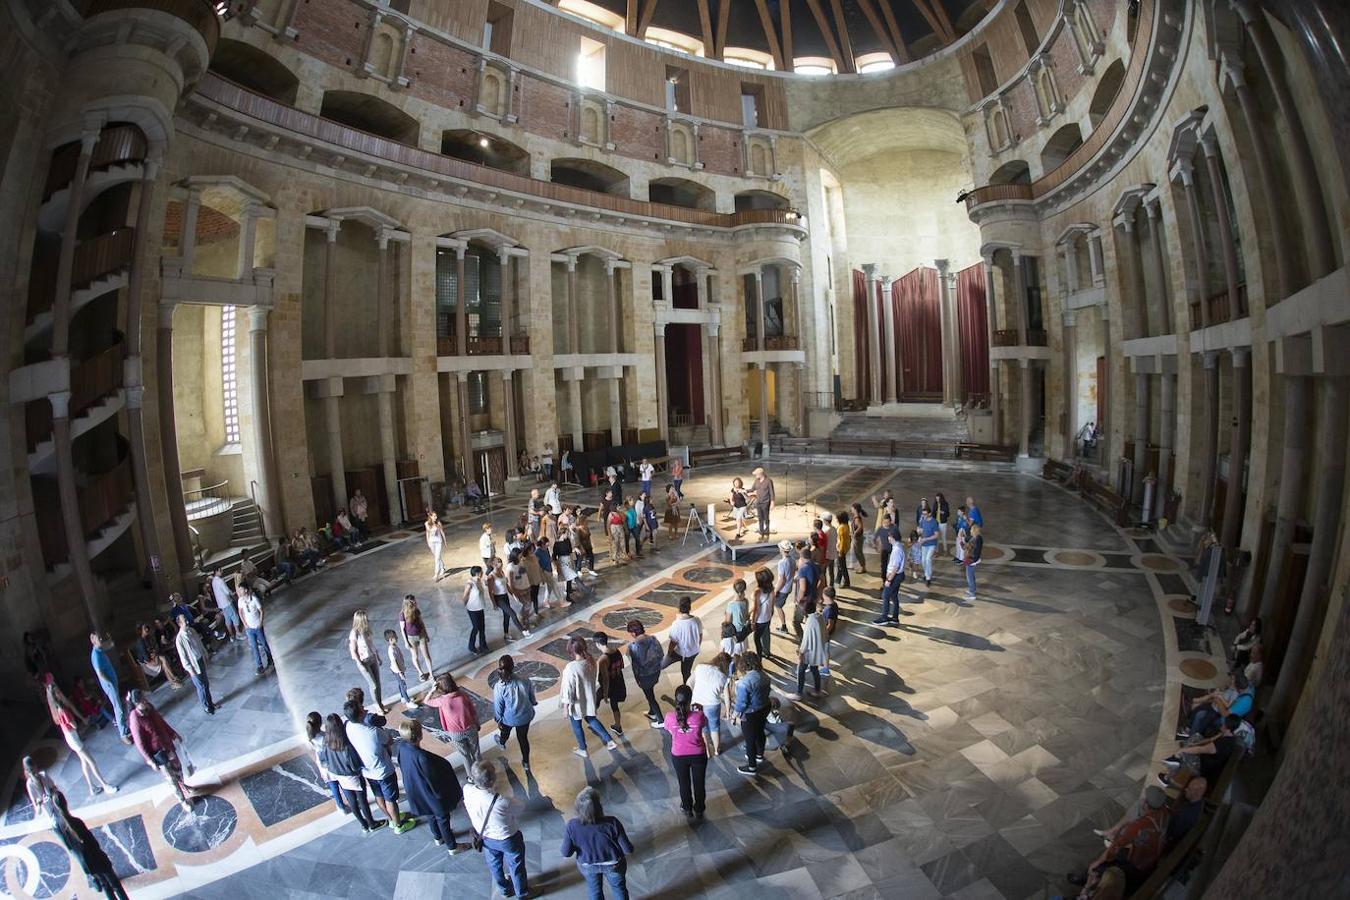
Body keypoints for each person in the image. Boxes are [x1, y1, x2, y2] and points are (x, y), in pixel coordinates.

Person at [1070, 785, 1169, 894]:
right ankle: (1112, 832)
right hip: (1151, 859)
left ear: (1146, 805)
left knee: (1103, 865)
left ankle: (1087, 879)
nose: (1142, 799)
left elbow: (1115, 848)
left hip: (1136, 865)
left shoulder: (1139, 826)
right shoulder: (1165, 813)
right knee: (1136, 807)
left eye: (1144, 799)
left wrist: (1098, 862)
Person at [396, 719, 468, 855]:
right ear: (419, 735)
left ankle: (438, 837)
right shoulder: (422, 757)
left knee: (429, 814)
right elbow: (434, 780)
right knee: (442, 818)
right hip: (430, 793)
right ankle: (452, 846)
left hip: (416, 790)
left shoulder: (401, 746)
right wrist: (443, 796)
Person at [344, 699, 416, 834]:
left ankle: (391, 819)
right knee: (391, 799)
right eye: (362, 708)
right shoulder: (373, 731)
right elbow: (388, 740)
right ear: (360, 715)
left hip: (367, 771)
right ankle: (398, 825)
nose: (365, 709)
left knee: (378, 795)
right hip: (383, 771)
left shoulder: (348, 726)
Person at [465, 760, 532, 898]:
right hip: (508, 839)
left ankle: (504, 889)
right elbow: (521, 807)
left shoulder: (467, 790)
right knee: (516, 865)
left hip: (485, 838)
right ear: (493, 779)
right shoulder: (501, 801)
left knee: (494, 865)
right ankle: (522, 893)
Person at [50, 792, 130, 900]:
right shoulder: (76, 822)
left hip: (86, 863)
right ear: (65, 803)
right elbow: (93, 842)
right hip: (97, 857)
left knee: (106, 886)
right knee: (116, 886)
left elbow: (69, 847)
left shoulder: (58, 827)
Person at [44, 679, 117, 796]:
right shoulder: (62, 710)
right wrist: (80, 721)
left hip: (70, 738)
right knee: (91, 762)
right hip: (74, 738)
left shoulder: (57, 710)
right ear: (56, 695)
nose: (61, 693)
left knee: (84, 762)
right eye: (58, 692)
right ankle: (105, 785)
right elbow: (73, 724)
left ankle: (92, 788)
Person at [562, 786, 635, 899]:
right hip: (613, 865)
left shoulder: (572, 825)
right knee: (618, 888)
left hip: (588, 865)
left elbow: (566, 853)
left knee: (594, 890)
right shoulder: (612, 823)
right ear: (598, 807)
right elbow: (628, 849)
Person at [128, 690, 193, 811]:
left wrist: (173, 733)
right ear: (136, 703)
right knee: (171, 778)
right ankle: (183, 801)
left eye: (145, 699)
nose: (145, 701)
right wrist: (150, 761)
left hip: (167, 745)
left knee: (178, 769)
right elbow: (140, 743)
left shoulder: (149, 707)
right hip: (158, 753)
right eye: (142, 700)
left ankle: (183, 785)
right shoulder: (135, 718)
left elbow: (161, 722)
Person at [319, 712, 384, 833]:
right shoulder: (345, 745)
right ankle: (372, 823)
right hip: (352, 776)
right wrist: (358, 769)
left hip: (339, 776)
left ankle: (364, 825)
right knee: (362, 800)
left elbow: (324, 760)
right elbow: (354, 763)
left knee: (352, 802)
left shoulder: (325, 743)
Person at [560, 636, 619, 758]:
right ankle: (610, 741)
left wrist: (565, 708)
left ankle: (583, 749)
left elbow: (567, 690)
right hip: (588, 697)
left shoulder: (571, 668)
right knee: (591, 719)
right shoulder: (590, 660)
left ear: (571, 650)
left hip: (576, 702)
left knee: (576, 725)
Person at [664, 684, 709, 823]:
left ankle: (687, 808)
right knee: (699, 783)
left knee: (683, 783)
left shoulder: (670, 717)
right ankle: (700, 809)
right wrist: (699, 711)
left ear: (675, 700)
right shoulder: (698, 716)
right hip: (698, 755)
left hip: (678, 756)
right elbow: (704, 725)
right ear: (690, 700)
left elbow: (671, 731)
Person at [424, 673, 480, 775]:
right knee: (476, 752)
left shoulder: (442, 700)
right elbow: (472, 711)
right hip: (470, 727)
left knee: (465, 755)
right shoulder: (463, 694)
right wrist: (477, 723)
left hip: (455, 732)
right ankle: (481, 771)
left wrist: (431, 690)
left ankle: (471, 776)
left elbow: (426, 701)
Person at [492, 654, 538, 771]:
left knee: (505, 732)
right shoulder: (525, 680)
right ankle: (526, 763)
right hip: (525, 716)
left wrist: (498, 719)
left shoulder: (499, 686)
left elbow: (499, 706)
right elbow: (531, 697)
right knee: (523, 739)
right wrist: (533, 703)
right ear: (513, 666)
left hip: (509, 718)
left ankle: (502, 743)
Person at [733, 652, 770, 776]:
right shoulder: (765, 676)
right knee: (760, 732)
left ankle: (752, 766)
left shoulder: (745, 682)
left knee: (749, 740)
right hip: (764, 708)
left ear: (743, 664)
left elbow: (742, 703)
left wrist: (735, 714)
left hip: (751, 713)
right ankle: (760, 755)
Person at [305, 711, 349, 817]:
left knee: (333, 787)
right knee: (343, 784)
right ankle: (351, 800)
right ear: (320, 723)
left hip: (323, 766)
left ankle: (341, 806)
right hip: (332, 763)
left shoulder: (309, 738)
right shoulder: (325, 737)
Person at [89, 632, 130, 743]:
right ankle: (123, 734)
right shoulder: (96, 655)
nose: (101, 640)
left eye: (101, 638)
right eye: (99, 639)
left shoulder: (100, 649)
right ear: (93, 641)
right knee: (118, 708)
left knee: (120, 706)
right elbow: (100, 674)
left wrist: (109, 638)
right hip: (109, 684)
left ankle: (125, 728)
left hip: (112, 682)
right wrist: (110, 683)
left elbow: (111, 644)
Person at [690, 652, 732, 756]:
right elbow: (727, 697)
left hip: (697, 702)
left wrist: (693, 696)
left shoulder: (700, 667)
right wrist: (727, 711)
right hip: (712, 704)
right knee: (714, 727)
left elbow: (689, 682)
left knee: (701, 726)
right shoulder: (724, 677)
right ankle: (717, 750)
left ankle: (707, 751)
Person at [174, 614, 217, 715]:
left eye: (186, 619)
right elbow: (183, 657)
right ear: (180, 623)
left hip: (200, 659)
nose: (187, 621)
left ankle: (211, 703)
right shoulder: (179, 639)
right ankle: (206, 706)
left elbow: (199, 643)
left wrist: (204, 653)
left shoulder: (192, 631)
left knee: (206, 683)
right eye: (184, 620)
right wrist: (190, 670)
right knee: (200, 686)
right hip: (193, 665)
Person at [626, 620, 665, 726]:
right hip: (656, 671)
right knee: (650, 691)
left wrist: (637, 679)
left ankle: (661, 720)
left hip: (644, 676)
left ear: (633, 633)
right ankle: (652, 712)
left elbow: (634, 665)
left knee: (650, 697)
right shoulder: (653, 639)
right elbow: (661, 655)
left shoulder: (633, 646)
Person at [349, 609, 387, 715]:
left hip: (372, 657)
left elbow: (371, 645)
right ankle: (377, 705)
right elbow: (353, 649)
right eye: (365, 619)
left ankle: (380, 703)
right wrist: (359, 663)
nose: (367, 621)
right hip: (363, 661)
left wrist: (377, 657)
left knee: (378, 683)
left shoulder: (366, 630)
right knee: (373, 685)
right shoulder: (354, 633)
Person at [789, 598, 827, 700]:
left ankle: (798, 693)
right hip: (817, 649)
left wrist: (801, 652)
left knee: (801, 670)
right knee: (815, 669)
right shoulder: (819, 616)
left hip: (809, 652)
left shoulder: (810, 621)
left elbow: (806, 640)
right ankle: (817, 691)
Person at [594, 633, 628, 736]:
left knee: (597, 698)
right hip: (619, 681)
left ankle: (592, 719)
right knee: (614, 705)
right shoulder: (617, 651)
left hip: (610, 685)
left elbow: (605, 680)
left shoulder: (603, 660)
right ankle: (618, 726)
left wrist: (605, 694)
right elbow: (621, 666)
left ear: (597, 644)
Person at [236, 584, 273, 675]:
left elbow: (261, 611)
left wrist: (260, 622)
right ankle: (259, 666)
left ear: (246, 590)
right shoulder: (240, 600)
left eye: (241, 590)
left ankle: (270, 659)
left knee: (264, 643)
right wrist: (244, 623)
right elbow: (240, 612)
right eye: (239, 590)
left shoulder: (254, 599)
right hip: (249, 628)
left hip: (257, 626)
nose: (239, 592)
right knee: (254, 647)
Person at [668, 595, 703, 684]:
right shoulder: (697, 620)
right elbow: (700, 637)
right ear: (689, 607)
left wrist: (668, 654)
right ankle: (687, 688)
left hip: (681, 653)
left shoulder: (676, 624)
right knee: (686, 672)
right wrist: (696, 647)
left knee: (663, 663)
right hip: (693, 652)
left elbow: (673, 643)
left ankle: (687, 689)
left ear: (679, 608)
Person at [399, 595, 434, 681]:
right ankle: (420, 673)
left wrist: (426, 634)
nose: (416, 602)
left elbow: (422, 623)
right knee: (415, 656)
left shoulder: (416, 611)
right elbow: (402, 629)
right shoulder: (402, 614)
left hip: (421, 635)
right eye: (414, 601)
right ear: (409, 603)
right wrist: (406, 642)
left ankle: (431, 674)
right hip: (411, 638)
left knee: (426, 655)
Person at [874, 530, 905, 625]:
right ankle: (895, 618)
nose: (888, 538)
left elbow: (895, 567)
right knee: (894, 596)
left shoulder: (896, 550)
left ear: (893, 538)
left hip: (895, 576)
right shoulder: (899, 546)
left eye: (889, 536)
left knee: (885, 595)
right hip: (898, 575)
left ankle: (884, 618)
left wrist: (889, 580)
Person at [500, 554, 533, 639]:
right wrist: (514, 593)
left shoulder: (521, 563)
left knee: (528, 605)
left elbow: (525, 575)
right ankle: (522, 619)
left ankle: (525, 620)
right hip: (519, 590)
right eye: (520, 556)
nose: (521, 557)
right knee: (526, 605)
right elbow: (510, 583)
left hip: (526, 587)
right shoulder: (510, 568)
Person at [384, 629, 418, 707]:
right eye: (395, 637)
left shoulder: (394, 646)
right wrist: (400, 672)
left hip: (399, 669)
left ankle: (403, 697)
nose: (397, 637)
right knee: (403, 685)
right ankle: (408, 701)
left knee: (400, 684)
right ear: (391, 639)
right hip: (397, 670)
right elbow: (394, 662)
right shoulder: (391, 650)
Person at [462, 565, 491, 654]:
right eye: (481, 572)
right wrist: (466, 605)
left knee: (482, 627)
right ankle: (471, 646)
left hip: (479, 607)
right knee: (476, 628)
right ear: (478, 573)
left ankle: (483, 645)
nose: (482, 573)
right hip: (472, 609)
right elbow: (465, 596)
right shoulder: (470, 583)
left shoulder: (479, 581)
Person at [24, 756, 63, 820]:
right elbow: (38, 811)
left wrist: (53, 794)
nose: (35, 774)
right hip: (48, 811)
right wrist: (39, 804)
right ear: (28, 773)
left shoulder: (44, 775)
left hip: (55, 804)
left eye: (35, 770)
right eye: (33, 772)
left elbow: (54, 788)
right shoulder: (29, 784)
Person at [210, 568, 243, 641]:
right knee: (235, 616)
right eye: (220, 570)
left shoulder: (213, 581)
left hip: (221, 604)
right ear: (216, 571)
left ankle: (231, 636)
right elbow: (227, 591)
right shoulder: (220, 581)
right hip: (226, 602)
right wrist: (233, 594)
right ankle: (238, 633)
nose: (222, 571)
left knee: (227, 619)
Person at [751, 567, 776, 661]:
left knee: (757, 639)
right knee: (766, 634)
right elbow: (772, 604)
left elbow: (756, 609)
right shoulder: (772, 589)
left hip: (760, 620)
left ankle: (759, 657)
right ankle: (767, 652)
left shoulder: (757, 592)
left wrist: (753, 622)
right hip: (768, 617)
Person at [772, 540, 796, 635]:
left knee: (778, 606)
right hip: (789, 587)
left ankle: (784, 626)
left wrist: (776, 590)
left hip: (783, 589)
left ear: (781, 549)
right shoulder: (793, 560)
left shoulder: (782, 562)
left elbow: (782, 579)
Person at [819, 587, 839, 676]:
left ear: (826, 596)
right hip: (825, 631)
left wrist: (824, 634)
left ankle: (826, 669)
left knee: (825, 650)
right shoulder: (833, 605)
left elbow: (830, 624)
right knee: (823, 648)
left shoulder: (830, 609)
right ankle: (822, 662)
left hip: (826, 633)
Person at [751, 466, 775, 539]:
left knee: (766, 518)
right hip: (758, 502)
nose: (755, 475)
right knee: (760, 518)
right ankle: (761, 531)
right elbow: (752, 489)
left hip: (765, 502)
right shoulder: (756, 481)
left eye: (756, 474)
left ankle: (767, 531)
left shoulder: (768, 481)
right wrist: (744, 491)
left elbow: (771, 492)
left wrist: (772, 503)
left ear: (760, 474)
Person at [918, 507, 939, 587]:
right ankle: (927, 574)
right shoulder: (923, 520)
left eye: (925, 514)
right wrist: (919, 535)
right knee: (923, 560)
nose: (923, 516)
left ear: (929, 514)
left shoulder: (934, 522)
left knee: (928, 559)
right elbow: (920, 530)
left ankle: (928, 578)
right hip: (924, 544)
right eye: (923, 514)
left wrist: (926, 539)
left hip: (931, 544)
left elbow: (936, 535)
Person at [964, 524, 983, 601]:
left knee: (970, 577)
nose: (970, 531)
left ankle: (972, 594)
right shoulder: (978, 538)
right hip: (972, 559)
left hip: (971, 560)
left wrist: (962, 541)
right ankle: (972, 589)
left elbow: (967, 547)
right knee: (971, 576)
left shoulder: (975, 539)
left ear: (974, 531)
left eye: (971, 529)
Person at [849, 502, 867, 574]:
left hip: (858, 538)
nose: (851, 509)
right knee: (857, 552)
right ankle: (861, 566)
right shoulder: (856, 516)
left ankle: (863, 567)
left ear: (855, 509)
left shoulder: (857, 518)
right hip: (857, 537)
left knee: (858, 552)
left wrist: (854, 533)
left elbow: (860, 526)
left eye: (852, 508)